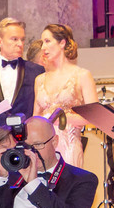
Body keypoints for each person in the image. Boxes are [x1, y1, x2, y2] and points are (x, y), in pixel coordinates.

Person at [34, 24, 97, 169]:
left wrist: (60, 118)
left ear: (62, 43)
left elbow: (94, 116)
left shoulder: (82, 75)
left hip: (69, 147)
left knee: (67, 181)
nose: (43, 47)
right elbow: (35, 117)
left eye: (47, 41)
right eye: (42, 42)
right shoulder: (39, 79)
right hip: (43, 147)